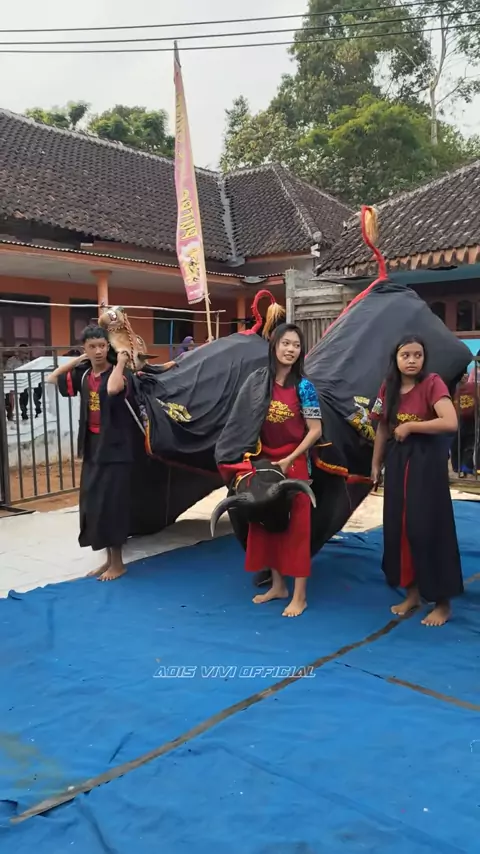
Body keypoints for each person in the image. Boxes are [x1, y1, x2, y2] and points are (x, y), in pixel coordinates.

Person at [220, 323, 322, 617]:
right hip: (264, 464)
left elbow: (315, 430)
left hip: (295, 465)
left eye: (296, 345)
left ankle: (300, 596)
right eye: (286, 343)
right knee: (267, 524)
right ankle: (278, 586)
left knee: (298, 531)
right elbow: (243, 422)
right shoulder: (258, 382)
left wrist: (291, 458)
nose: (291, 350)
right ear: (274, 346)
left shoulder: (304, 387)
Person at [371, 335, 463, 627]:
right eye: (406, 355)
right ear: (396, 359)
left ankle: (442, 602)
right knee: (398, 527)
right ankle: (412, 593)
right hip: (398, 461)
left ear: (424, 358)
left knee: (426, 527)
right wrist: (375, 464)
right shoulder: (388, 387)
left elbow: (450, 421)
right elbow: (383, 428)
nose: (412, 360)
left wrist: (412, 426)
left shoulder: (432, 383)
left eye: (417, 355)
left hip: (426, 464)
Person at [47, 325, 143, 581]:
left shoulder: (120, 374)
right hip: (93, 448)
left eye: (102, 346)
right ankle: (108, 560)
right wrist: (78, 360)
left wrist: (120, 361)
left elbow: (112, 389)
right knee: (94, 505)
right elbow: (52, 378)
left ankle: (118, 564)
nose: (98, 351)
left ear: (108, 346)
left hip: (117, 450)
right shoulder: (84, 376)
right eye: (92, 347)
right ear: (85, 349)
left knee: (112, 505)